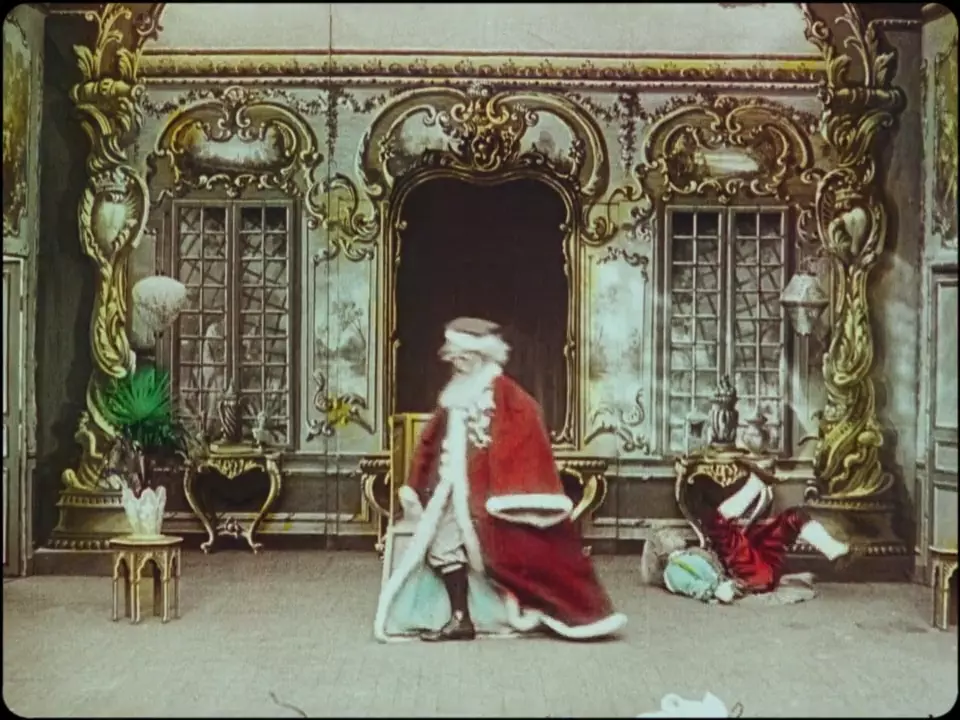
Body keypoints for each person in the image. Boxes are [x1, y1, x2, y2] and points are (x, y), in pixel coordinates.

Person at [373, 317, 627, 642]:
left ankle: (550, 613)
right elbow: (428, 443)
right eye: (455, 355)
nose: (456, 361)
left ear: (480, 354)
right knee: (441, 545)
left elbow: (526, 432)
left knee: (525, 560)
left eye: (463, 355)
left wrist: (505, 488)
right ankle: (461, 618)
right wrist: (413, 485)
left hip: (489, 500)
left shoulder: (507, 395)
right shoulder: (454, 396)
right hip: (450, 494)